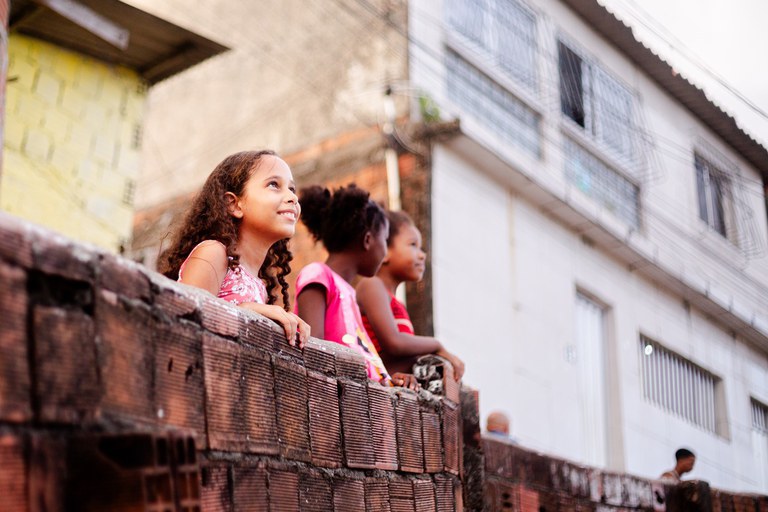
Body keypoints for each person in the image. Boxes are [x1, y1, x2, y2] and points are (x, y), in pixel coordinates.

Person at [158, 150, 309, 347]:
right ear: (234, 204)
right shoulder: (213, 253)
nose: (292, 197)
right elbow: (183, 327)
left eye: (292, 189)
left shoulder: (260, 286)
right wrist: (246, 310)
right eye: (274, 185)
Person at [295, 184, 418, 390]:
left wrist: (389, 380)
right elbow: (313, 350)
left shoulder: (351, 293)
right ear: (368, 240)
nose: (385, 249)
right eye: (385, 240)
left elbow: (363, 356)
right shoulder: (318, 274)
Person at [357, 210, 464, 379]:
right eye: (413, 245)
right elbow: (394, 343)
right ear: (385, 249)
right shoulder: (372, 285)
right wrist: (436, 345)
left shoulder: (396, 303)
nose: (422, 255)